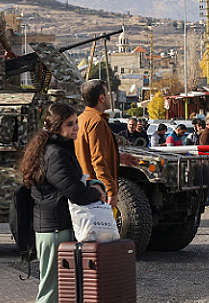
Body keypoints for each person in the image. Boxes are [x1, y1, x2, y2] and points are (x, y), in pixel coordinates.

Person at [20, 103, 106, 303]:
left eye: (76, 122)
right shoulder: (55, 153)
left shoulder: (59, 148)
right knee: (51, 290)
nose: (76, 127)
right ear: (56, 126)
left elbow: (71, 182)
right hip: (54, 230)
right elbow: (75, 192)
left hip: (57, 227)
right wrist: (95, 193)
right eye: (70, 124)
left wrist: (91, 184)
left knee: (64, 289)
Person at [74, 79, 137, 208]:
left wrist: (119, 157)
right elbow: (98, 160)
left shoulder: (81, 119)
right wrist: (110, 191)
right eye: (107, 93)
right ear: (101, 98)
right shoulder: (97, 122)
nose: (109, 97)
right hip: (96, 193)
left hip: (84, 188)